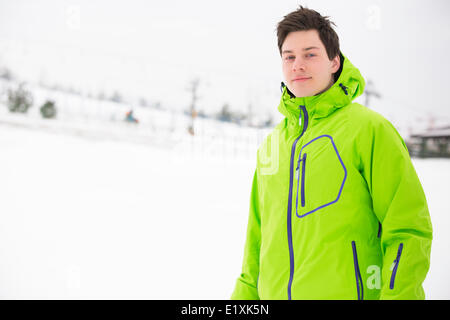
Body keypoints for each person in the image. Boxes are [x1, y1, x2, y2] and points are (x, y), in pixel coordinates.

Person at [231, 6, 432, 300]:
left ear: (334, 61)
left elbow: (407, 231)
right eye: (289, 57)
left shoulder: (369, 129)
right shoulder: (272, 145)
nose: (297, 65)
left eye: (310, 54)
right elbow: (256, 243)